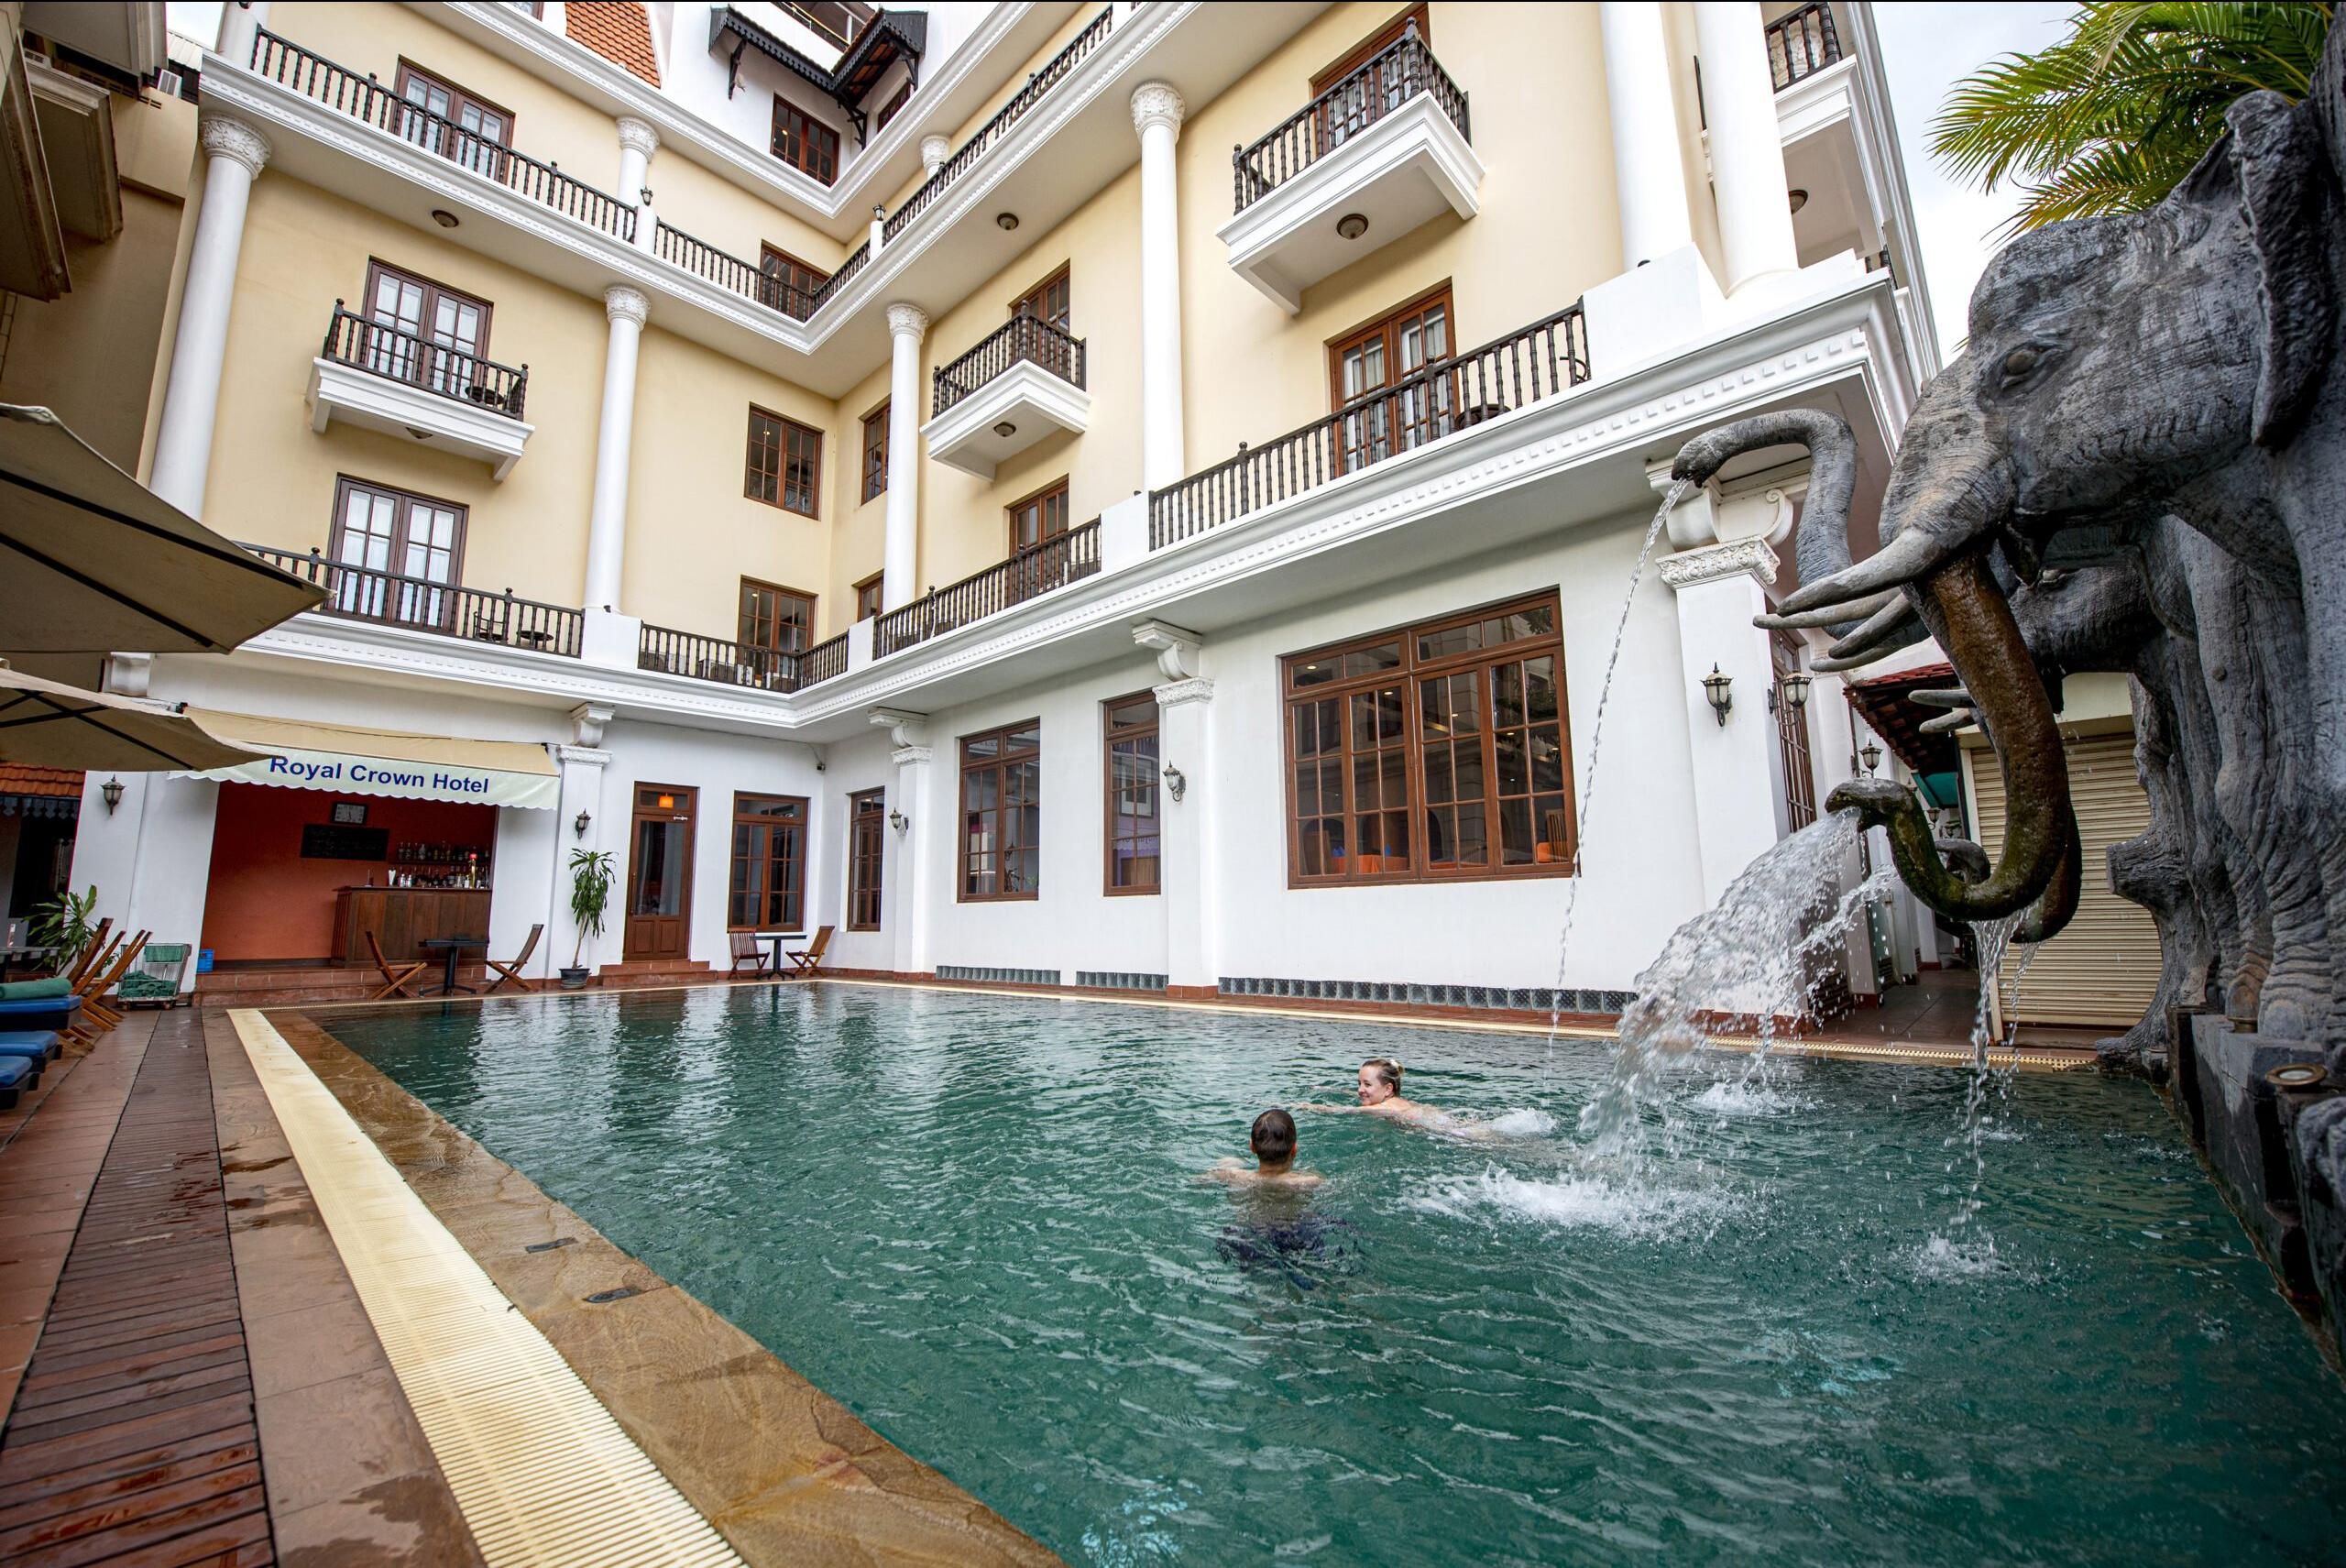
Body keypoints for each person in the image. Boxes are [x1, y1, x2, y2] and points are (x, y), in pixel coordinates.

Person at [1298, 1058, 1452, 1126]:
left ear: (1388, 1089)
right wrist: (1332, 1090)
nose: (1360, 1090)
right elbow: (1358, 1094)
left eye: (1367, 1084)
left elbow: (1342, 1110)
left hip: (1447, 1132)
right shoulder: (1398, 1102)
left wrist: (1307, 1107)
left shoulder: (1384, 1107)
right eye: (1359, 1083)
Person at [1203, 1108, 1325, 1187]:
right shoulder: (1310, 1181)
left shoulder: (1233, 1176)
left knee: (1229, 1161)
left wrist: (1229, 1166)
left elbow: (1200, 1180)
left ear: (1252, 1147)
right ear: (1294, 1149)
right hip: (1296, 1221)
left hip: (1248, 1221)